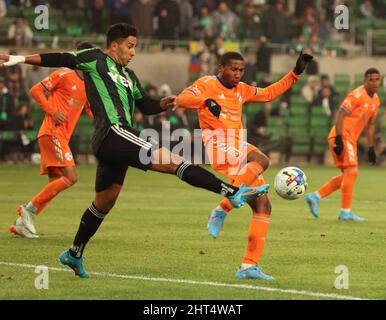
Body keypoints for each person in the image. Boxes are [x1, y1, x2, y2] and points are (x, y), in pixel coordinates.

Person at [0, 24, 267, 277]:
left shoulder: (129, 76)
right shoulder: (94, 58)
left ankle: (74, 253)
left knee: (104, 203)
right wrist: (19, 58)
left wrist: (167, 102)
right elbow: (60, 57)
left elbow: (147, 106)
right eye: (129, 46)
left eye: (135, 46)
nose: (133, 52)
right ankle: (232, 192)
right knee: (174, 161)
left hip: (114, 144)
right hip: (114, 132)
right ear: (114, 45)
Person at [176, 50, 313, 280]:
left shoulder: (242, 90)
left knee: (263, 206)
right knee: (262, 160)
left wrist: (296, 72)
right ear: (221, 68)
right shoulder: (207, 84)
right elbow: (181, 99)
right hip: (217, 143)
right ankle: (223, 207)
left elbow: (269, 93)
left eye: (241, 70)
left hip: (237, 145)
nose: (238, 74)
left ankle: (248, 266)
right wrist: (206, 101)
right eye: (233, 69)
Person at [9, 42, 95, 239]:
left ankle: (22, 224)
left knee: (56, 183)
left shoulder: (89, 83)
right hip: (52, 132)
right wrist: (52, 111)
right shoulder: (64, 73)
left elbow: (89, 109)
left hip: (61, 135)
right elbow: (35, 90)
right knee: (71, 177)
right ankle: (28, 210)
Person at [305, 68, 381, 222]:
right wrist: (339, 139)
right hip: (342, 135)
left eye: (377, 79)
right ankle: (345, 212)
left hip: (350, 138)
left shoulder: (376, 101)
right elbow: (340, 114)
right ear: (365, 80)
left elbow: (371, 125)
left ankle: (315, 196)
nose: (374, 83)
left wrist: (371, 148)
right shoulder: (356, 95)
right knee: (352, 172)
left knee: (348, 175)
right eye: (371, 79)